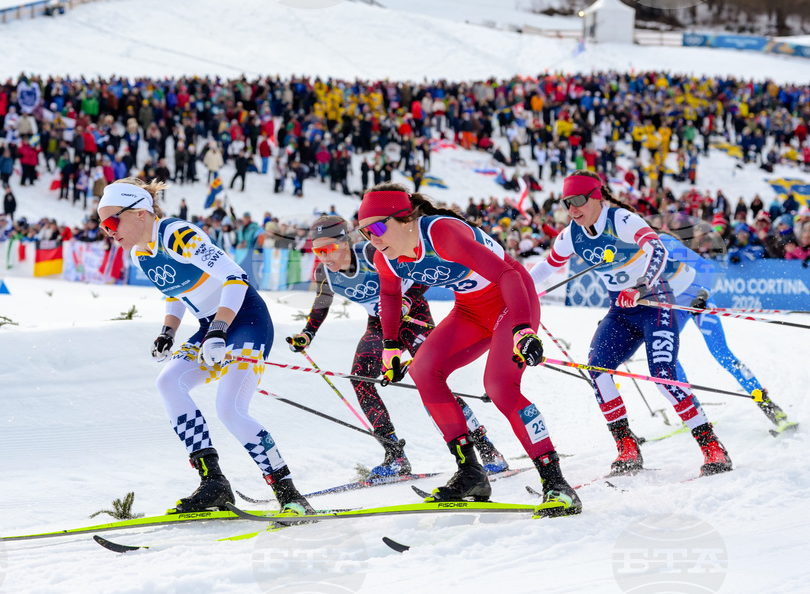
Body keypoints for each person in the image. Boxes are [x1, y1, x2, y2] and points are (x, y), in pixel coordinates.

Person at [357, 183, 579, 516]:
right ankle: (471, 473)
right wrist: (390, 346)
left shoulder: (442, 234)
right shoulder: (385, 257)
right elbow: (390, 298)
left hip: (512, 299)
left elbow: (507, 273)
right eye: (364, 232)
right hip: (471, 310)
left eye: (376, 227)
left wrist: (521, 328)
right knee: (423, 371)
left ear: (404, 219)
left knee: (499, 387)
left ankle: (557, 484)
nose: (372, 238)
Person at [98, 178, 312, 514]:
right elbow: (174, 292)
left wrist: (219, 330)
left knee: (230, 408)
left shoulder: (177, 234)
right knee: (169, 382)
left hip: (245, 319)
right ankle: (214, 482)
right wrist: (168, 332)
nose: (108, 231)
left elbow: (235, 277)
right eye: (102, 224)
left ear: (140, 213)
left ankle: (290, 495)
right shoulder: (140, 252)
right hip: (211, 326)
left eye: (112, 222)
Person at [529, 170, 732, 479]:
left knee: (663, 376)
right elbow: (546, 268)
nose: (572, 210)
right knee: (598, 369)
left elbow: (657, 250)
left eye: (578, 201)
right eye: (567, 203)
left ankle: (711, 446)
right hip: (621, 312)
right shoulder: (572, 234)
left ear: (596, 197)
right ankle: (627, 446)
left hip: (654, 303)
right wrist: (512, 288)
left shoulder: (622, 220)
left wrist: (639, 287)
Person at [288, 215, 509, 480]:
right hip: (379, 326)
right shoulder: (324, 273)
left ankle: (487, 450)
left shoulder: (372, 254)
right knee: (361, 379)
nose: (324, 257)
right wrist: (307, 334)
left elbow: (421, 273)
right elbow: (322, 304)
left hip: (411, 317)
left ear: (345, 242)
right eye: (317, 251)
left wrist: (405, 301)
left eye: (328, 249)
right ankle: (395, 456)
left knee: (432, 381)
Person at [659, 231, 796, 431]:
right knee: (667, 356)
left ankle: (768, 405)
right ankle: (690, 410)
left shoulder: (665, 242)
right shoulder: (631, 255)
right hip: (677, 307)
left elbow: (705, 268)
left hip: (699, 300)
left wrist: (702, 295)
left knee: (722, 354)